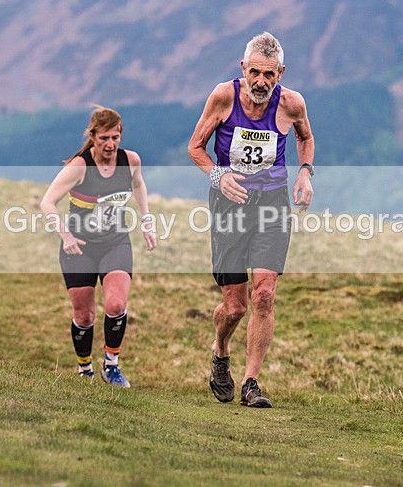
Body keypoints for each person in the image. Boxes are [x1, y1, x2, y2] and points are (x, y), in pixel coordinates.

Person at [187, 32, 315, 408]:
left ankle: (251, 382)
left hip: (272, 202)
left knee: (263, 294)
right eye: (255, 72)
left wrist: (305, 172)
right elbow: (196, 147)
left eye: (269, 75)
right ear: (243, 68)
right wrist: (218, 176)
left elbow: (305, 138)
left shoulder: (292, 104)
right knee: (236, 306)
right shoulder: (224, 97)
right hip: (229, 203)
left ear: (281, 74)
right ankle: (220, 349)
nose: (261, 82)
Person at [41, 105, 156, 387]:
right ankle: (85, 370)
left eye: (115, 137)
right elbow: (47, 202)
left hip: (115, 243)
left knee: (116, 304)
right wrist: (65, 236)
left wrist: (146, 220)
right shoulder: (79, 167)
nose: (110, 144)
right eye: (104, 138)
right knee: (85, 314)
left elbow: (138, 186)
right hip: (79, 248)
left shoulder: (130, 161)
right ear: (93, 137)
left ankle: (111, 366)